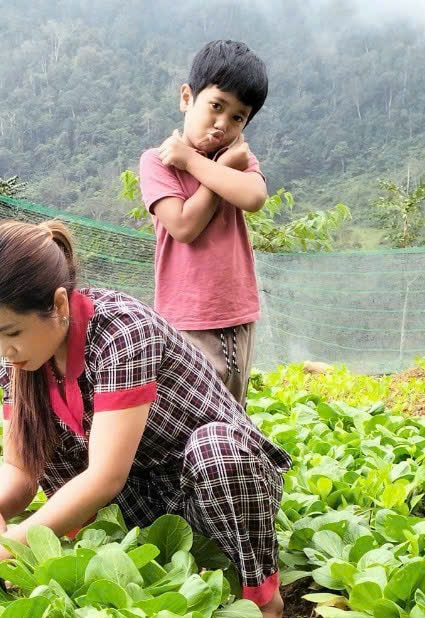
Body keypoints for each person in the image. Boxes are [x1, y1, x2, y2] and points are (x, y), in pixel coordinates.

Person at [0, 218, 292, 618]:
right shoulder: (21, 367)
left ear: (58, 303)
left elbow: (104, 477)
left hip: (212, 487)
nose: (2, 350)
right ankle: (134, 564)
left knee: (217, 450)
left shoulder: (121, 332)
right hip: (143, 499)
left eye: (12, 332)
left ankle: (265, 607)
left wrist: (22, 537)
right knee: (52, 442)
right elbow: (21, 467)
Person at [138, 39, 270, 405]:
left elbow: (254, 197)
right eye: (216, 106)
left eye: (237, 117)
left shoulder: (237, 157)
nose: (221, 124)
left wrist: (200, 164)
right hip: (185, 318)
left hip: (237, 314)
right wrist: (218, 170)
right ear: (187, 97)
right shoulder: (157, 161)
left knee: (233, 410)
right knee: (189, 411)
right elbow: (183, 227)